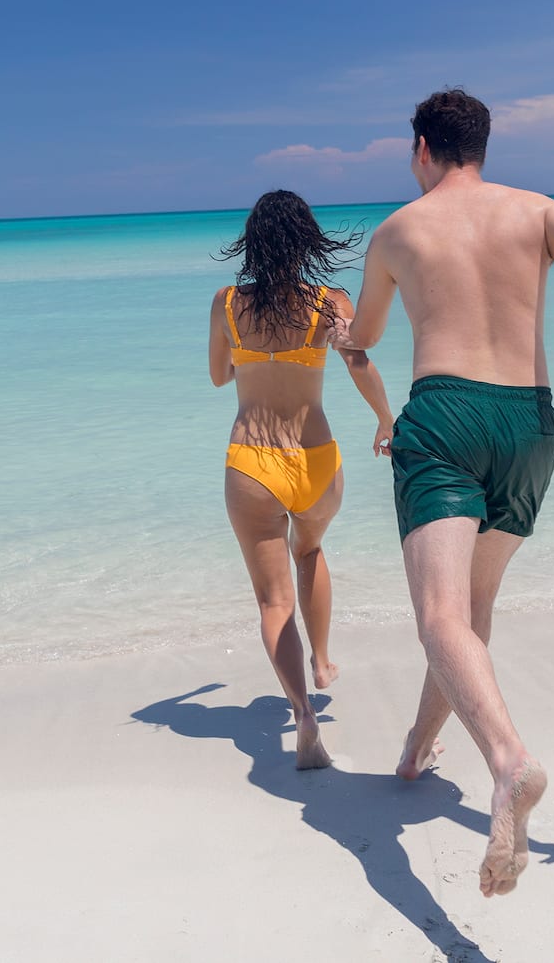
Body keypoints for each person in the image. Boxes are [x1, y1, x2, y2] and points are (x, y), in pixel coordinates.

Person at [336, 89, 554, 896]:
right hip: (531, 423)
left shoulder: (398, 231)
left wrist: (345, 334)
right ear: (481, 148)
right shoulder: (542, 212)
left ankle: (508, 761)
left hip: (446, 417)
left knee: (438, 616)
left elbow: (372, 336)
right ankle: (419, 747)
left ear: (423, 147)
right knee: (469, 613)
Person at [210, 190, 394, 769]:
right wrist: (387, 420)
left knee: (272, 600)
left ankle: (303, 715)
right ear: (307, 238)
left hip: (252, 463)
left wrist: (253, 355)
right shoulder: (328, 302)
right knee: (310, 550)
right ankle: (321, 660)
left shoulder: (227, 302)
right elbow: (360, 362)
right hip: (316, 460)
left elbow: (219, 377)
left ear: (253, 241)